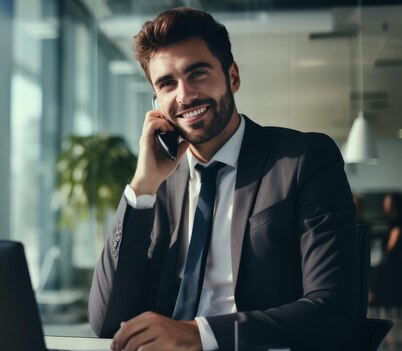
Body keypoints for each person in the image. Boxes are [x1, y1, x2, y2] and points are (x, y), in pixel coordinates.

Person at [88, 7, 359, 351]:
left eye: (197, 73)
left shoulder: (302, 160)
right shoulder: (161, 183)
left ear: (233, 77)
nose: (184, 95)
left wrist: (198, 335)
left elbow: (333, 312)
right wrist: (142, 187)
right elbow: (106, 322)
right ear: (156, 100)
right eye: (167, 84)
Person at [370, 192, 402, 307]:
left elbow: (392, 243)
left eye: (387, 202)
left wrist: (385, 254)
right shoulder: (394, 220)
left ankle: (372, 296)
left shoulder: (397, 220)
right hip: (394, 259)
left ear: (394, 204)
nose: (384, 204)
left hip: (395, 260)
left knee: (377, 269)